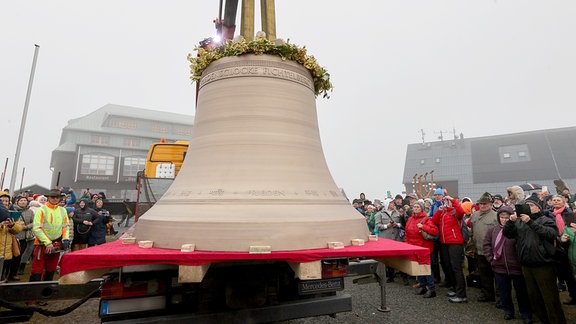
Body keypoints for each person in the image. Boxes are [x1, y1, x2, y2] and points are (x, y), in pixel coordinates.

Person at [503, 195, 566, 324]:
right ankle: (543, 320)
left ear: (538, 208)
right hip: (526, 265)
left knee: (550, 298)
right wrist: (510, 221)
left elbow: (551, 234)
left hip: (544, 264)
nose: (528, 208)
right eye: (526, 205)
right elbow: (508, 234)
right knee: (535, 298)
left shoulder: (545, 220)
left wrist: (530, 222)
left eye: (530, 205)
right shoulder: (520, 222)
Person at [483, 206, 532, 323]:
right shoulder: (492, 230)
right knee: (504, 292)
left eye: (506, 217)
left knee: (521, 293)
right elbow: (486, 245)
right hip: (499, 267)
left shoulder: (517, 229)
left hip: (516, 267)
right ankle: (508, 311)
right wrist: (491, 259)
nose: (504, 220)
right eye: (501, 217)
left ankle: (525, 313)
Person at [432, 192, 467, 303]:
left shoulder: (455, 213)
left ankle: (462, 295)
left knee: (456, 267)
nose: (448, 204)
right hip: (445, 242)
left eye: (448, 202)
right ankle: (455, 288)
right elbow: (433, 221)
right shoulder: (443, 213)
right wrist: (439, 210)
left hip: (455, 242)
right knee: (448, 266)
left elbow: (462, 211)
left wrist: (453, 200)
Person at [30, 189, 71, 283]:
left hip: (57, 244)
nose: (55, 199)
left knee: (51, 268)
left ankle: (47, 291)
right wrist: (47, 242)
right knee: (37, 269)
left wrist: (65, 239)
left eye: (57, 197)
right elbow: (36, 228)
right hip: (42, 244)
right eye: (53, 197)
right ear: (48, 198)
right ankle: (32, 292)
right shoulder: (42, 210)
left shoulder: (62, 210)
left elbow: (65, 226)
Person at [405, 200, 439, 298]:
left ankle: (431, 289)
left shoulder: (427, 219)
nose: (415, 208)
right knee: (418, 268)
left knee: (426, 268)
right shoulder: (410, 219)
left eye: (418, 207)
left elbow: (435, 231)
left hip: (424, 247)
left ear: (422, 209)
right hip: (413, 247)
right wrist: (407, 244)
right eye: (414, 207)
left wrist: (423, 226)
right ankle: (423, 286)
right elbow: (407, 233)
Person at [469, 192, 499, 303]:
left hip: (492, 251)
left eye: (485, 203)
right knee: (484, 274)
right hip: (478, 250)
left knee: (497, 275)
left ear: (491, 204)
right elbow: (472, 231)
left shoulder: (496, 216)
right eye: (481, 203)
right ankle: (488, 294)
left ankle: (500, 298)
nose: (482, 205)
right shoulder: (475, 215)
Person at [547, 194, 576, 305]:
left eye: (558, 200)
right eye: (554, 200)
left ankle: (573, 294)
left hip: (569, 242)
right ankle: (570, 292)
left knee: (570, 271)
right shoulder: (549, 214)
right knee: (563, 271)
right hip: (556, 242)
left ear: (564, 202)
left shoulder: (569, 214)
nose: (556, 202)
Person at [375, 199, 403, 282]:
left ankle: (403, 276)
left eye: (393, 202)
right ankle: (390, 276)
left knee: (399, 258)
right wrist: (387, 226)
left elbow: (403, 224)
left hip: (396, 238)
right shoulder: (380, 214)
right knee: (388, 258)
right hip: (386, 239)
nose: (393, 204)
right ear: (387, 204)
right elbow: (377, 226)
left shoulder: (397, 213)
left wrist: (396, 224)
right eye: (391, 203)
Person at [11, 195, 35, 279]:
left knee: (19, 255)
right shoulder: (13, 210)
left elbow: (34, 222)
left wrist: (26, 227)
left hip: (24, 237)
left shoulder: (30, 212)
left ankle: (14, 273)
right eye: (21, 200)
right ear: (17, 202)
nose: (23, 202)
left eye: (25, 200)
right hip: (13, 236)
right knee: (10, 256)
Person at [0, 205, 24, 282]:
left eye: (7, 201)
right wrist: (0, 225)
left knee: (4, 271)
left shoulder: (12, 214)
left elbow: (18, 229)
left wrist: (12, 225)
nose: (5, 203)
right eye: (3, 200)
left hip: (7, 250)